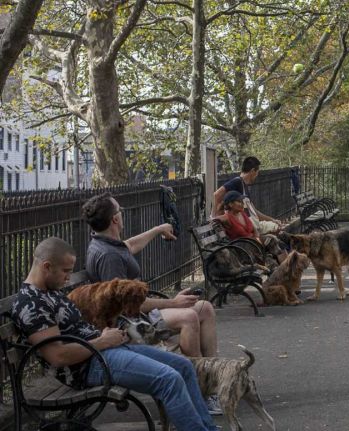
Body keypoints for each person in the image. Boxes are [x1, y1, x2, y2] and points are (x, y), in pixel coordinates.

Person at [12, 238, 220, 431]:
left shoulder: (50, 292)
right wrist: (101, 341)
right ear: (46, 266)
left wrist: (108, 336)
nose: (68, 278)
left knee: (183, 367)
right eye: (65, 271)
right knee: (170, 380)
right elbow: (58, 356)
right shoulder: (31, 303)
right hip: (89, 365)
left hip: (104, 350)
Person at [81, 193, 222, 414]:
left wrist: (157, 230)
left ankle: (212, 379)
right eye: (120, 211)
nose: (122, 213)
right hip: (129, 327)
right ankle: (201, 392)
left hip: (140, 317)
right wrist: (173, 303)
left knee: (205, 308)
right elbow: (127, 306)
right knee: (189, 316)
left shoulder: (109, 243)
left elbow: (131, 245)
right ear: (115, 220)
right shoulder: (109, 257)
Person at [212, 157, 283, 234]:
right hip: (245, 228)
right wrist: (215, 216)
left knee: (277, 227)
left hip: (252, 224)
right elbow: (217, 194)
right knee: (276, 230)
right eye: (257, 172)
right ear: (252, 171)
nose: (257, 176)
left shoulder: (244, 186)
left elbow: (255, 211)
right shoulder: (237, 181)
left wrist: (272, 220)